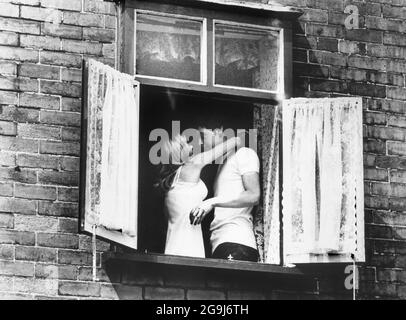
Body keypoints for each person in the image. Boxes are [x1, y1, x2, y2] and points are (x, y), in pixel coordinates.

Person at [156, 133, 241, 258]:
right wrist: (214, 141)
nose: (190, 145)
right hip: (188, 248)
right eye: (183, 145)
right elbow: (236, 141)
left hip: (173, 248)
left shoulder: (172, 184)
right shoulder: (192, 164)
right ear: (177, 155)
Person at [190, 128, 260, 262]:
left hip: (237, 240)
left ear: (218, 130)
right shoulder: (221, 164)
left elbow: (253, 195)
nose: (198, 142)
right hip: (220, 243)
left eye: (202, 136)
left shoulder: (244, 153)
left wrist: (211, 202)